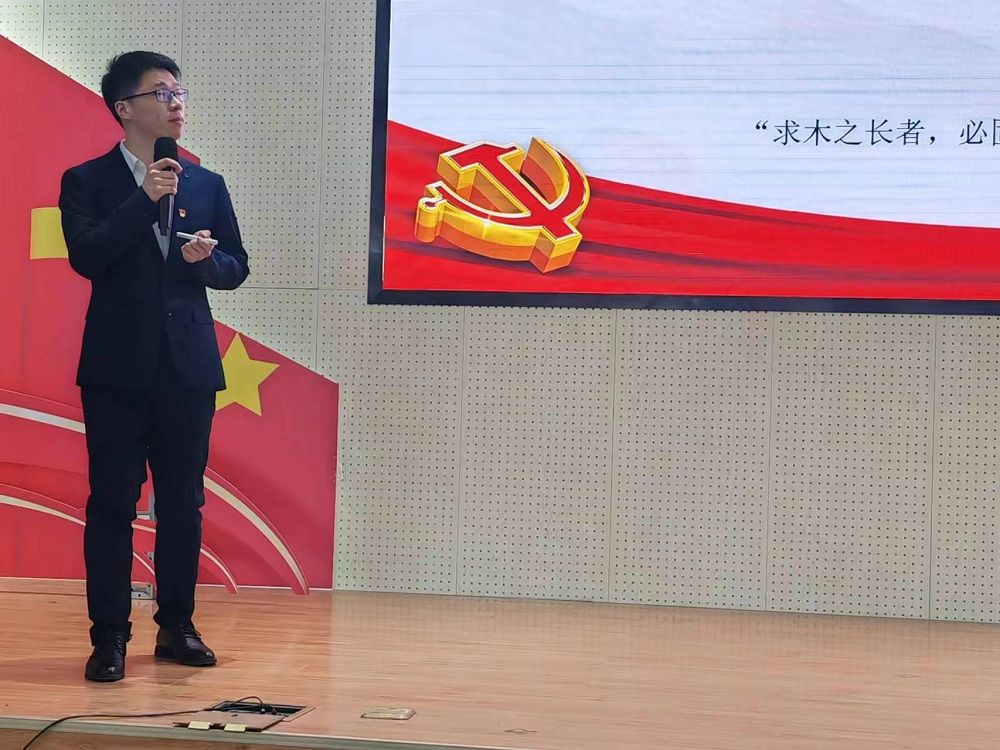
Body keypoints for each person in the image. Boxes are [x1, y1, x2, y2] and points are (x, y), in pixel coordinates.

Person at [58, 51, 249, 682]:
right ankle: (110, 635)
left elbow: (235, 268)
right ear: (124, 107)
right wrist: (144, 199)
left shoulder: (207, 183)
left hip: (187, 367)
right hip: (116, 367)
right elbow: (88, 257)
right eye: (162, 92)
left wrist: (206, 261)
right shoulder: (86, 180)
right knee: (112, 502)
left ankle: (177, 626)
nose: (176, 103)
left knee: (183, 503)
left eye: (180, 92)